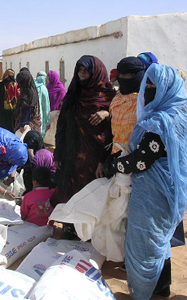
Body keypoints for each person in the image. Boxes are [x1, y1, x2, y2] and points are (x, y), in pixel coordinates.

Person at [103, 64, 187, 299]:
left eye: (154, 88)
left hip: (153, 193)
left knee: (146, 240)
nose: (148, 92)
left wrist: (115, 165)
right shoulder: (182, 114)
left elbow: (143, 160)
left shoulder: (162, 122)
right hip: (170, 189)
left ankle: (145, 290)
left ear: (167, 89)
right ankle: (162, 286)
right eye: (148, 86)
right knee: (160, 239)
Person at [51, 55, 115, 237]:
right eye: (79, 70)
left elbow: (117, 127)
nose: (82, 74)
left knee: (94, 195)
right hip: (73, 156)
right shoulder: (73, 95)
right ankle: (72, 230)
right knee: (74, 194)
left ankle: (92, 234)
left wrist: (107, 113)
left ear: (97, 72)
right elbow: (62, 126)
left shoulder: (111, 98)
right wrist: (58, 153)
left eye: (86, 70)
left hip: (97, 159)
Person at [97, 56, 145, 177]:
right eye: (121, 75)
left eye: (128, 75)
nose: (123, 78)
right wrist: (102, 161)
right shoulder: (117, 100)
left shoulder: (146, 102)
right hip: (115, 160)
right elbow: (110, 133)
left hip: (138, 163)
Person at [35, 71, 51, 135]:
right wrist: (48, 120)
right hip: (40, 112)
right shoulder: (43, 88)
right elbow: (46, 105)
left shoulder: (32, 86)